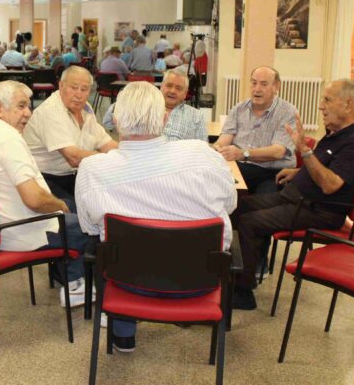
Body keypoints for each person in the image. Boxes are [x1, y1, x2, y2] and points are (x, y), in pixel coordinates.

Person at [76, 81, 237, 352]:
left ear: (114, 120)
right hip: (199, 280)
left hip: (128, 282)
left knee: (110, 246)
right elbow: (230, 204)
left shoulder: (93, 169)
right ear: (165, 117)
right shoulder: (204, 156)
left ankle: (124, 334)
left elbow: (89, 227)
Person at [231, 79, 354, 310]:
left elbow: (330, 185)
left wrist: (305, 150)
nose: (321, 106)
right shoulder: (338, 132)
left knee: (249, 222)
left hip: (318, 210)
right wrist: (298, 171)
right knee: (237, 207)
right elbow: (328, 166)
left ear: (348, 105)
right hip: (295, 196)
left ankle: (243, 291)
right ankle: (236, 273)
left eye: (327, 100)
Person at [0, 80, 91, 306]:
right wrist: (60, 206)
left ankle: (67, 276)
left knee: (71, 212)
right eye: (21, 106)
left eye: (28, 106)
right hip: (16, 232)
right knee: (91, 226)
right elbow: (34, 200)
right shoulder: (7, 139)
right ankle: (76, 285)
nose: (28, 113)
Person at [24, 66, 117, 201]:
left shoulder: (86, 109)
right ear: (61, 86)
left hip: (76, 176)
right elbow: (74, 158)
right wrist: (113, 158)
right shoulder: (51, 111)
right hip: (46, 181)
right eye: (73, 88)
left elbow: (106, 143)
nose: (78, 94)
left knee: (113, 200)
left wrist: (130, 152)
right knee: (86, 214)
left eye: (84, 89)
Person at [213, 66, 298, 194]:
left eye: (264, 84)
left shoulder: (288, 112)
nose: (257, 89)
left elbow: (277, 152)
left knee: (260, 205)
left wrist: (243, 153)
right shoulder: (239, 108)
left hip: (272, 172)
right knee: (214, 187)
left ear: (276, 87)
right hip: (240, 167)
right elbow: (224, 140)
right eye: (254, 83)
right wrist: (217, 149)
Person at [102, 68, 207, 142]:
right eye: (169, 85)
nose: (172, 91)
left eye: (178, 88)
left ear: (185, 93)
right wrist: (128, 101)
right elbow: (107, 123)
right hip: (143, 160)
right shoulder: (145, 105)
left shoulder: (196, 116)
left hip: (178, 164)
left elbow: (203, 149)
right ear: (161, 87)